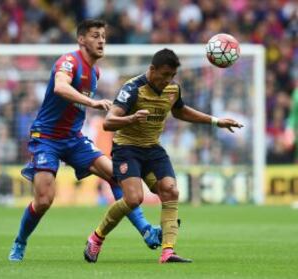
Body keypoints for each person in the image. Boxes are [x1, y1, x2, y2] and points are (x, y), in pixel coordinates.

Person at [8, 19, 161, 262]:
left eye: (103, 36)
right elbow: (60, 87)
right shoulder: (69, 61)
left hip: (74, 138)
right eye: (95, 36)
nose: (101, 40)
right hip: (46, 138)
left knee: (116, 175)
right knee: (44, 200)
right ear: (81, 39)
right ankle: (20, 241)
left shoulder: (96, 72)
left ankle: (146, 229)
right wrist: (93, 102)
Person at [84, 48, 243, 264]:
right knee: (133, 199)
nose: (168, 80)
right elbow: (108, 121)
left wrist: (216, 121)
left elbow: (180, 111)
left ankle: (168, 252)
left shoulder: (172, 89)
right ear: (152, 69)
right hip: (127, 148)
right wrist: (131, 118)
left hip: (153, 149)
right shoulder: (132, 89)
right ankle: (96, 237)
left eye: (172, 76)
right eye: (165, 74)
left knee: (170, 191)